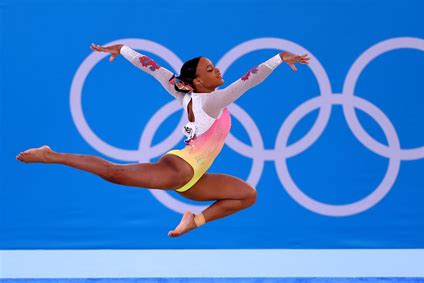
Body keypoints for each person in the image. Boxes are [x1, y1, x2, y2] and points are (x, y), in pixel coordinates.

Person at [16, 42, 310, 237]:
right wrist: (277, 59)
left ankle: (193, 221)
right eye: (209, 69)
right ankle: (51, 155)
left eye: (213, 66)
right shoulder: (212, 101)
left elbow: (152, 68)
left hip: (195, 179)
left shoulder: (187, 93)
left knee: (247, 195)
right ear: (197, 82)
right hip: (180, 168)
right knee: (115, 173)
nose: (217, 70)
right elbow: (249, 79)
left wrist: (124, 49)